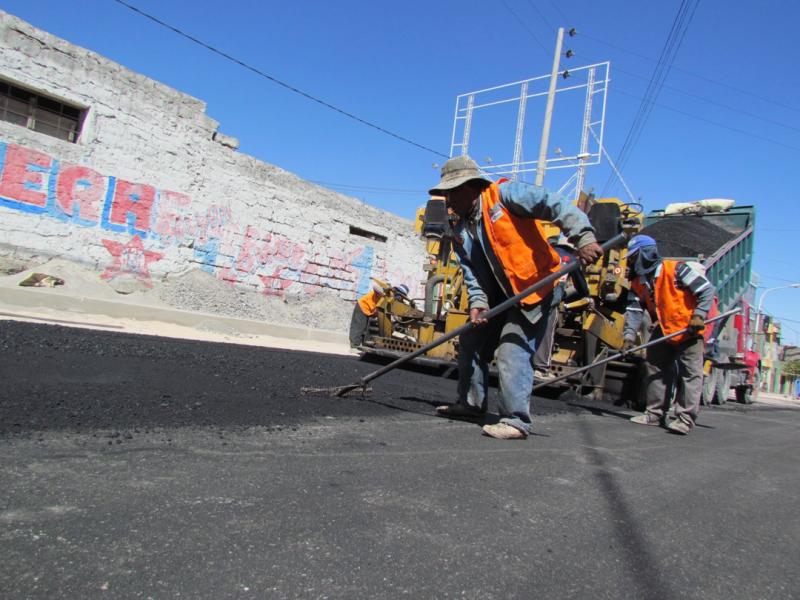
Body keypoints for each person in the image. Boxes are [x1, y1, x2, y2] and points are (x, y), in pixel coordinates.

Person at [429, 155, 603, 440]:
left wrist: (582, 236)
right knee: (471, 341)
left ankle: (516, 420)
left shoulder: (505, 195)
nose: (448, 200)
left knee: (512, 347)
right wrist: (478, 303)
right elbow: (472, 272)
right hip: (502, 294)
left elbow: (554, 203)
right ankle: (471, 405)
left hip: (537, 287)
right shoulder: (460, 229)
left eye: (451, 192)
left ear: (468, 187)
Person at [622, 234, 716, 435]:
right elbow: (634, 310)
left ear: (645, 254)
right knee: (654, 364)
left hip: (688, 329)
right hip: (664, 328)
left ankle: (685, 419)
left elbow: (706, 290)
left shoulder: (677, 270)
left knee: (690, 373)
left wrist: (699, 315)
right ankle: (655, 414)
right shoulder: (638, 282)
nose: (629, 261)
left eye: (632, 256)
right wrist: (629, 336)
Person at [349, 281, 409, 348]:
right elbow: (375, 287)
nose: (400, 298)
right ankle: (354, 345)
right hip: (363, 306)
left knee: (368, 330)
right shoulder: (388, 291)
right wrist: (385, 293)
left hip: (373, 311)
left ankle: (365, 345)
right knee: (359, 327)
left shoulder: (395, 300)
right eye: (400, 295)